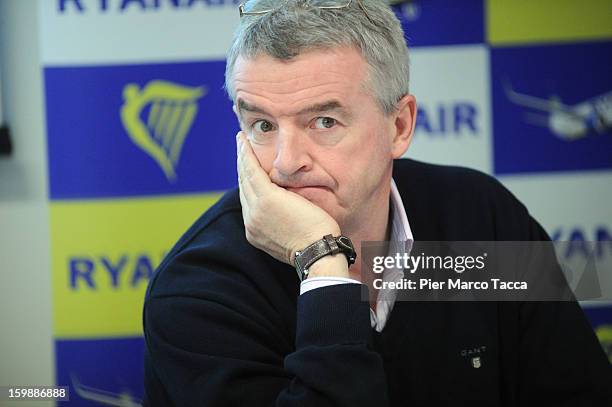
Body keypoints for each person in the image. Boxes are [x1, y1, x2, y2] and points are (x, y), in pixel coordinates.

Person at [142, 0, 612, 405]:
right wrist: (322, 262)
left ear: (399, 126)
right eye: (263, 125)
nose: (285, 164)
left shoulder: (482, 217)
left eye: (324, 121)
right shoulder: (200, 289)